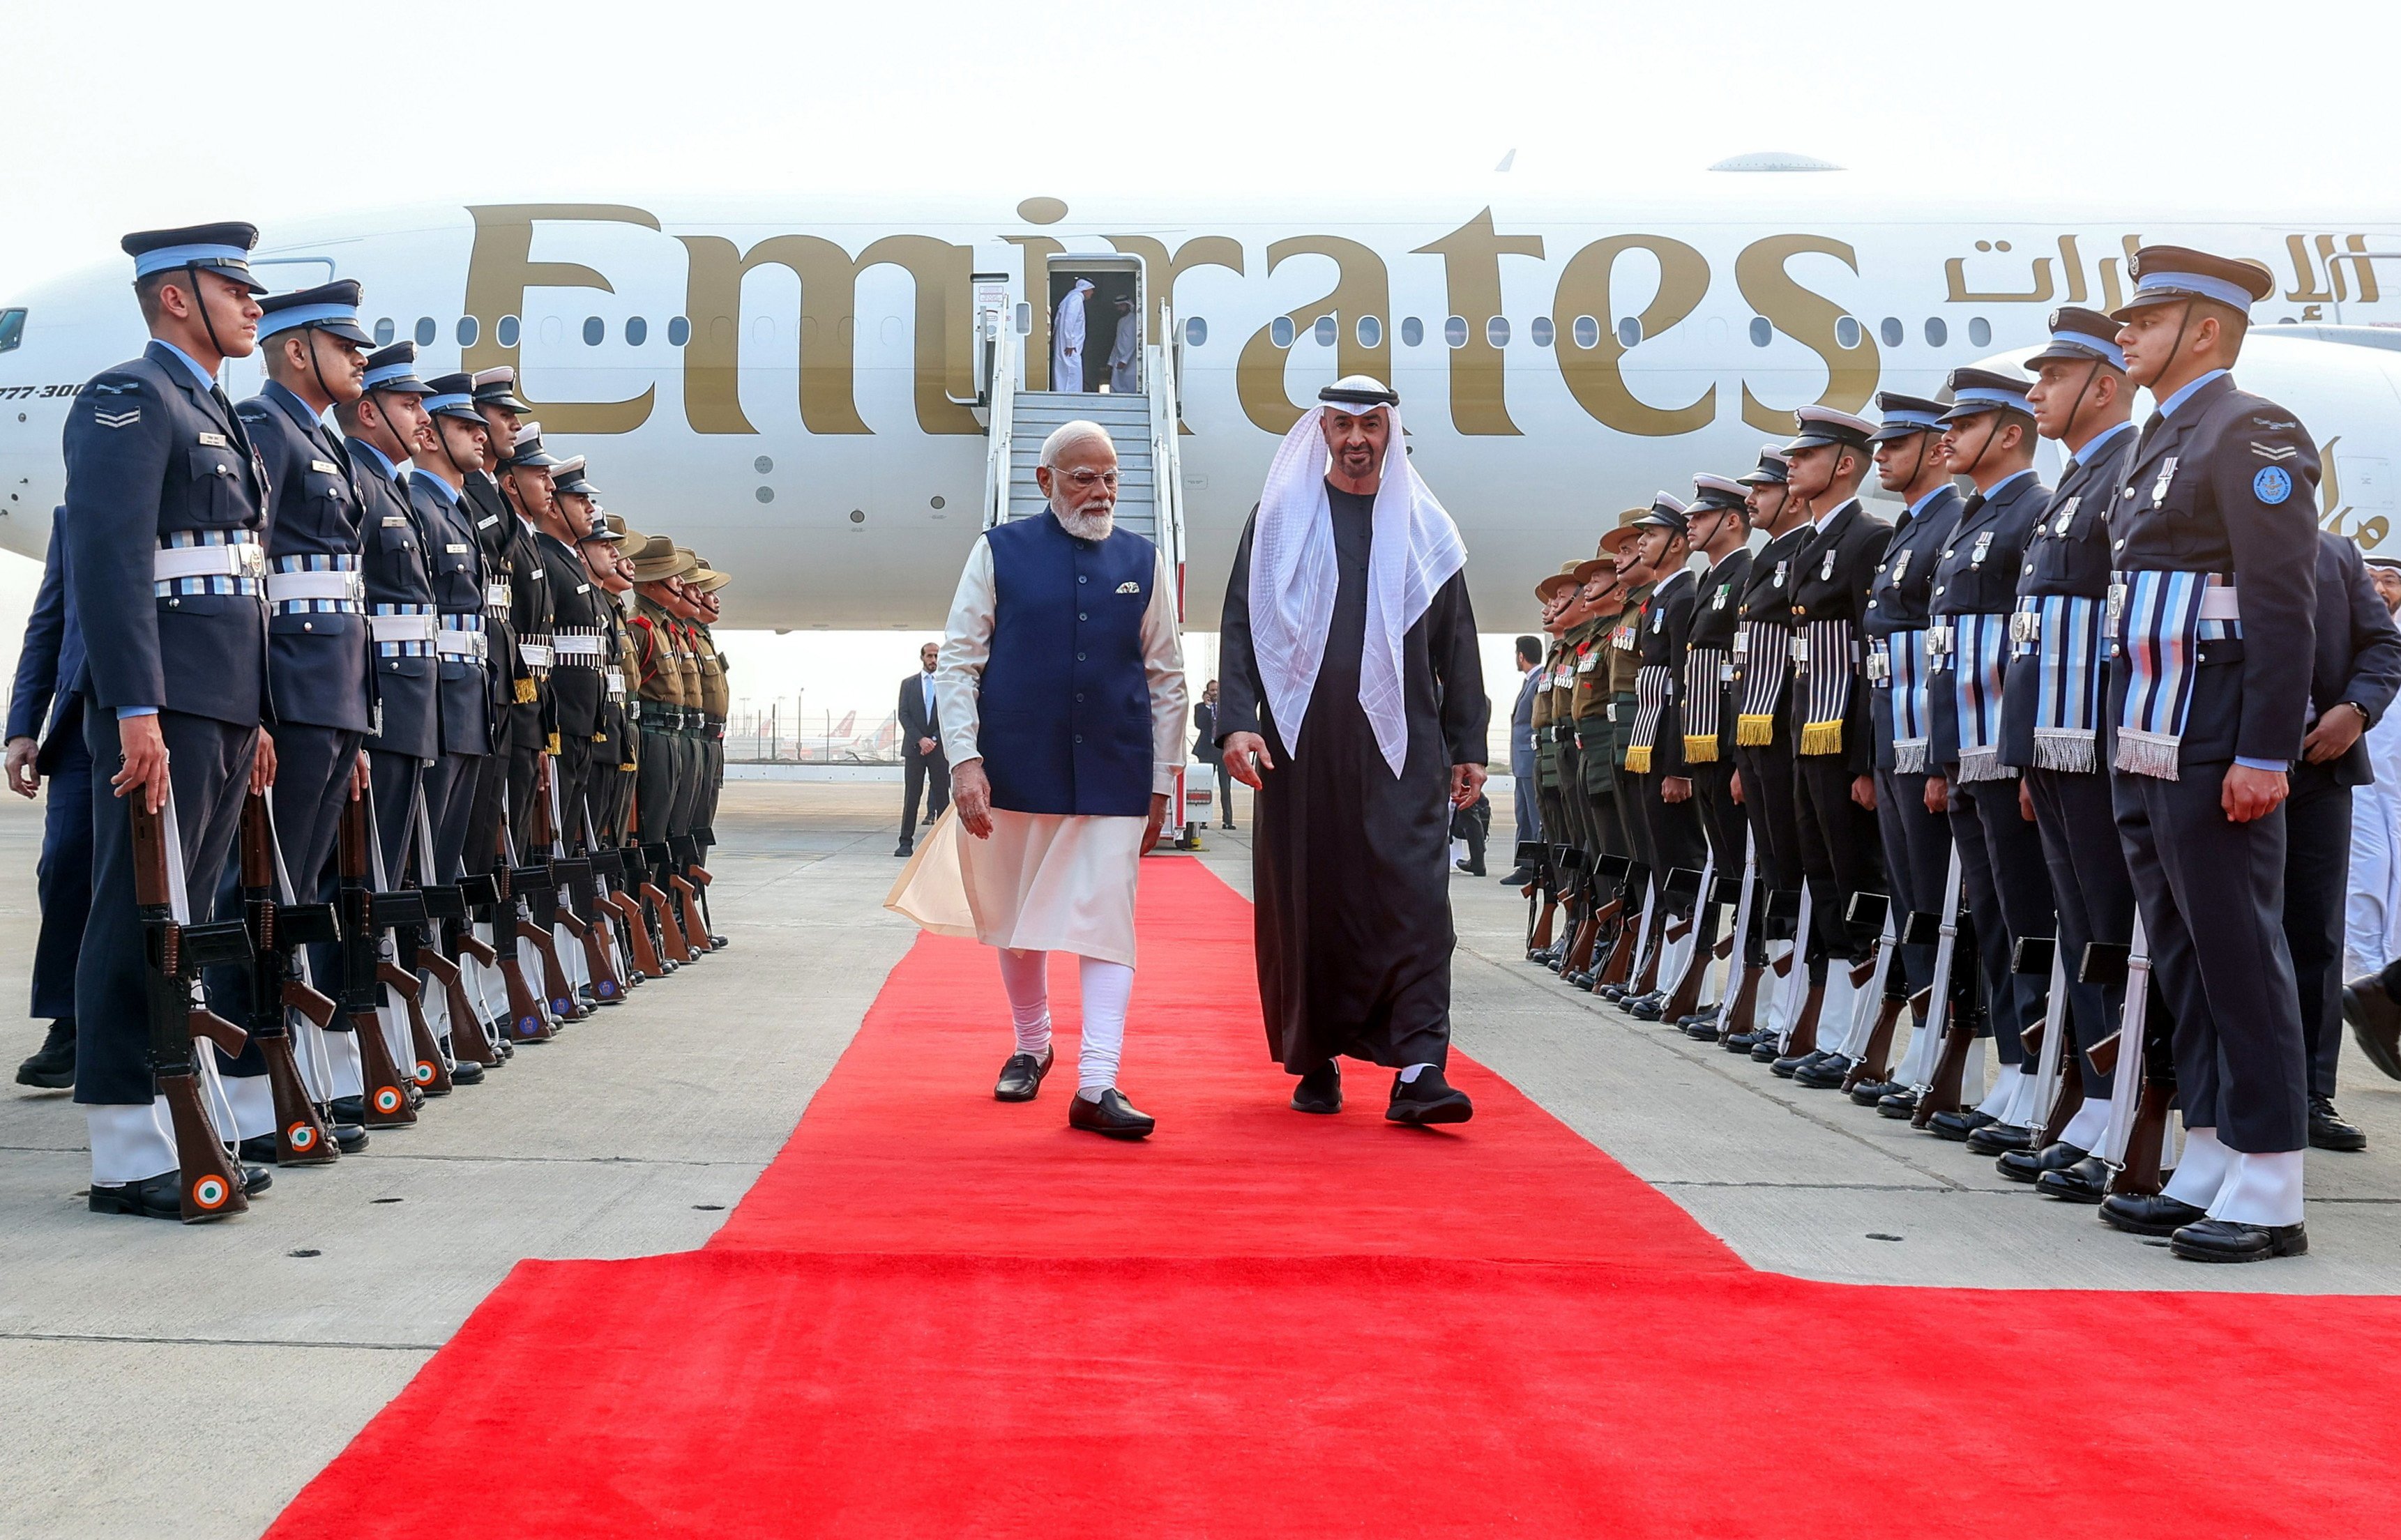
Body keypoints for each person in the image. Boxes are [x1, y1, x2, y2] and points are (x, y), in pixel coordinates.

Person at [2098, 245, 2318, 1263]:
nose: (2123, 333)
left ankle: (2270, 1179)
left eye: (2144, 318)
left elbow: (2280, 604)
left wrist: (2265, 751)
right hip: (2147, 728)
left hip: (2213, 728)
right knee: (2181, 955)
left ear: (2204, 329)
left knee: (2238, 954)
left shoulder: (2250, 430)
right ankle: (2209, 1148)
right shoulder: (2156, 440)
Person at [66, 222, 276, 1219]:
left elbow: (248, 582)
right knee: (134, 914)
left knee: (188, 924)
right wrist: (135, 707)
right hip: (168, 702)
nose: (253, 304)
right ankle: (123, 1149)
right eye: (233, 287)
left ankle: (188, 1126)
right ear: (176, 296)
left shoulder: (215, 410)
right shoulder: (129, 396)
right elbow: (109, 565)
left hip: (225, 700)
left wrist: (261, 712)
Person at [1216, 376, 1490, 1124]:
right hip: (1299, 749)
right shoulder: (1278, 518)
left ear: (1390, 433)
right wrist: (1237, 721)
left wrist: (1468, 740)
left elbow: (1455, 641)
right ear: (1322, 433)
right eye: (1342, 425)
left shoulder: (1424, 526)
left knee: (1415, 902)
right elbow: (1241, 623)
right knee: (1314, 898)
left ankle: (1419, 1068)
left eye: (1371, 425)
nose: (1357, 439)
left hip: (1401, 750)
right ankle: (1316, 1055)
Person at [916, 418, 1186, 1138]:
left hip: (1114, 774)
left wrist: (1164, 781)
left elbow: (1168, 677)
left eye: (1109, 479)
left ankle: (1097, 1084)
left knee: (1106, 924)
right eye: (1082, 477)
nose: (1100, 492)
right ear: (1044, 481)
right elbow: (960, 661)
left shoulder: (1143, 559)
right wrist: (964, 759)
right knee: (1016, 924)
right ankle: (1032, 1044)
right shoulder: (998, 553)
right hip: (1013, 770)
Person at [226, 281, 380, 1141]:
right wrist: (256, 711)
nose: (359, 357)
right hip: (289, 700)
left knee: (297, 900)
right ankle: (252, 1098)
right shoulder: (267, 431)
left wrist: (358, 717)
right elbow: (253, 583)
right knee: (261, 903)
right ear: (296, 351)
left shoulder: (318, 439)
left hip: (331, 702)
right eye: (343, 343)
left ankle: (291, 1080)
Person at [1997, 312, 2143, 1194]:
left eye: (2052, 376)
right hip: (2051, 743)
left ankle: (2127, 1104)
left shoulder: (2123, 470)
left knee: (2109, 931)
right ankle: (2096, 1098)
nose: (2034, 392)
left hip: (2092, 740)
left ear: (2101, 385)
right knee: (2082, 930)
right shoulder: (2072, 482)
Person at [1919, 370, 2055, 1148]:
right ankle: (2013, 1073)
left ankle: (2038, 1075)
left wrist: (2024, 753)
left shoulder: (2030, 513)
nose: (1948, 440)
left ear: (2007, 434)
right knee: (1995, 922)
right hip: (1967, 753)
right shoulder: (1976, 519)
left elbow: (2027, 646)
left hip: (2005, 753)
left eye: (1963, 425)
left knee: (2024, 918)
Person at [1849, 393, 1962, 1098]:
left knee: (1934, 901)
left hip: (1924, 742)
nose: (1880, 455)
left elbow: (1944, 654)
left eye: (1896, 444)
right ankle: (1922, 1045)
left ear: (1934, 448)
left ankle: (1946, 1046)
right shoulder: (1907, 530)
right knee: (1908, 897)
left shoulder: (1947, 524)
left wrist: (1942, 758)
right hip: (1894, 741)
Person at [1775, 408, 1891, 1077]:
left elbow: (1866, 660)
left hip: (1840, 742)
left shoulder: (1865, 540)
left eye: (1805, 454)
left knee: (1853, 887)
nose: (1792, 464)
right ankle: (1834, 1033)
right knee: (1821, 882)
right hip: (1803, 739)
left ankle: (1858, 1041)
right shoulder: (1811, 544)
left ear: (1843, 464)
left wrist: (1863, 759)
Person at [2279, 533, 2401, 1152]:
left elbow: (2382, 645)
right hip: (2218, 767)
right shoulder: (2200, 547)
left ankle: (2307, 1092)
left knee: (2314, 935)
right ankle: (2206, 1084)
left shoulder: (2336, 554)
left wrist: (2355, 708)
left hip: (2317, 768)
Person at [1723, 445, 1810, 1055]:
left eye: (1762, 488)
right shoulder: (1769, 561)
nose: (1750, 498)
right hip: (1758, 741)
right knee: (1778, 873)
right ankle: (1782, 1010)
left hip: (1790, 737)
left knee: (1800, 875)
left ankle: (1801, 1010)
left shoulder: (1803, 554)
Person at [8, 513, 89, 1089]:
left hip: (178, 711)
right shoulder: (70, 519)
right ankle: (72, 1020)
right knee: (63, 866)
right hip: (82, 719)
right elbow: (49, 625)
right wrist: (21, 728)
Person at [1672, 475, 1754, 1039]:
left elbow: (1742, 671)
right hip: (1704, 745)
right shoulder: (1711, 580)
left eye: (1700, 518)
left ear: (1730, 521)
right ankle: (1730, 997)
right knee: (1727, 871)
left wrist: (1734, 755)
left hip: (1727, 747)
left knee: (1745, 874)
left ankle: (1748, 995)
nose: (1690, 526)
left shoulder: (1744, 573)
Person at [409, 374, 497, 884]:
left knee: (443, 864)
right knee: (419, 865)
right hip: (436, 702)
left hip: (465, 704)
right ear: (431, 435)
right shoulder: (421, 506)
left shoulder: (456, 511)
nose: (480, 434)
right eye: (465, 426)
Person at [2345, 557, 2401, 984]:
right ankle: (2361, 976)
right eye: (2372, 580)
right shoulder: (2344, 636)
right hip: (2357, 781)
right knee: (2367, 869)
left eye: (2391, 581)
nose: (2382, 590)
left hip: (2396, 788)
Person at [896, 640, 946, 857]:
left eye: (936, 656)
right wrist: (921, 740)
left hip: (938, 749)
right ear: (922, 658)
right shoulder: (909, 684)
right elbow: (904, 715)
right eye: (930, 656)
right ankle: (905, 842)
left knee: (943, 797)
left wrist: (933, 738)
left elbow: (948, 713)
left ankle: (945, 844)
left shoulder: (946, 683)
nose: (933, 660)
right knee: (912, 796)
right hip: (915, 750)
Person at [1503, 636, 1543, 883]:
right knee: (1523, 814)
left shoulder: (1539, 681)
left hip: (1530, 760)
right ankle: (1525, 864)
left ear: (1521, 656)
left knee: (1533, 816)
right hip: (1522, 762)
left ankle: (1532, 867)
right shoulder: (1531, 681)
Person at [1192, 680, 1235, 829]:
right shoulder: (1200, 708)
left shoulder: (1226, 708)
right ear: (1207, 692)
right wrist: (1207, 707)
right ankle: (1201, 820)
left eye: (1217, 690)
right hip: (1206, 751)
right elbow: (1200, 724)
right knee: (1204, 787)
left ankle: (1228, 821)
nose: (1215, 693)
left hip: (1222, 751)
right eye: (1212, 690)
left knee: (1225, 786)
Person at [1052, 277, 1093, 392]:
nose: (1092, 293)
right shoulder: (1076, 299)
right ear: (1086, 289)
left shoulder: (1071, 298)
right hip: (1070, 346)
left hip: (1069, 343)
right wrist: (1070, 342)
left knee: (1066, 371)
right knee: (1072, 372)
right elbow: (1069, 321)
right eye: (1091, 290)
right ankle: (1070, 397)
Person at [1106, 295, 1139, 395]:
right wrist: (1111, 361)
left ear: (1127, 305)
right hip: (1118, 360)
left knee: (1130, 388)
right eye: (1118, 306)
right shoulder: (1120, 322)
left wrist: (1125, 360)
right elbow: (1117, 342)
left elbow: (1135, 342)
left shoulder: (1134, 320)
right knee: (1115, 388)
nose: (1119, 309)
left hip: (1131, 362)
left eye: (1121, 306)